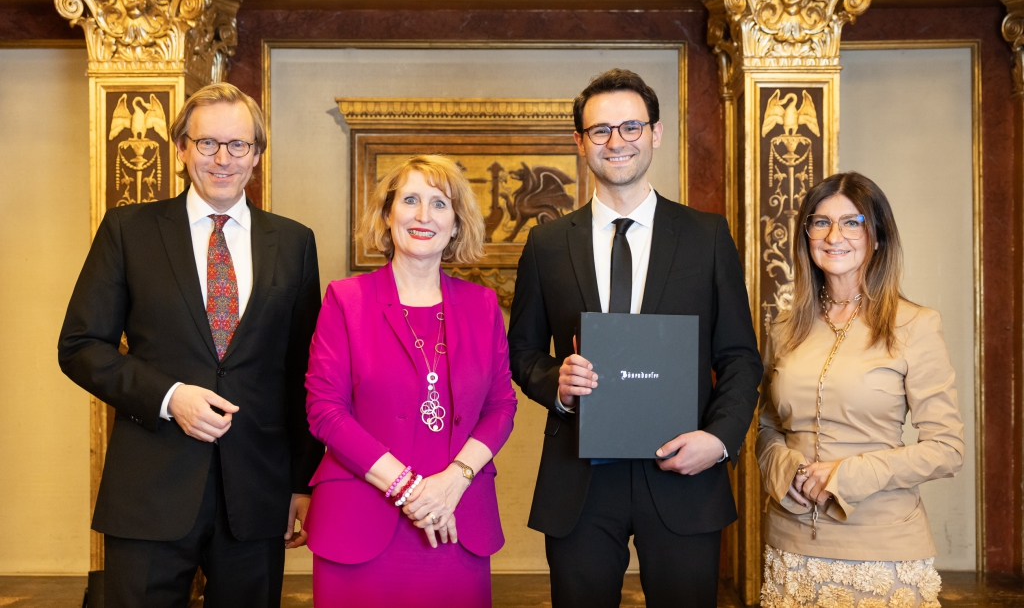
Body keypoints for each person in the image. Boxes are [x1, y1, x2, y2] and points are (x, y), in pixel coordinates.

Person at [58, 82, 324, 607]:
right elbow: (81, 345)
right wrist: (169, 396)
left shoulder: (294, 242)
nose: (223, 159)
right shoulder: (129, 230)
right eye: (207, 143)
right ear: (181, 148)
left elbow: (303, 371)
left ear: (256, 154)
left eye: (238, 145)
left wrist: (302, 481)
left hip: (257, 493)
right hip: (150, 490)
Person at [507, 68, 762, 608]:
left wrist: (719, 440)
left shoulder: (707, 236)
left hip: (683, 472)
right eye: (599, 130)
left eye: (630, 127)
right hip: (579, 479)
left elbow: (740, 357)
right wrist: (557, 384)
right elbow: (523, 353)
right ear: (580, 142)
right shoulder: (546, 244)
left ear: (655, 133)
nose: (616, 141)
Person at [303, 154, 518, 607]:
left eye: (440, 204)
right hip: (361, 522)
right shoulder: (345, 300)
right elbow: (325, 411)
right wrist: (410, 489)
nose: (424, 216)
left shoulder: (482, 306)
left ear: (456, 224)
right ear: (387, 214)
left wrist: (453, 482)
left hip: (455, 518)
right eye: (410, 200)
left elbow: (502, 407)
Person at [756, 172, 965, 608]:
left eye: (852, 222)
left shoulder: (916, 325)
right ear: (806, 235)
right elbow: (767, 428)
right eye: (821, 222)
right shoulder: (783, 327)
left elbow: (947, 449)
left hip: (882, 546)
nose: (834, 236)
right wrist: (785, 469)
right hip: (791, 545)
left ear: (878, 237)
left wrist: (846, 475)